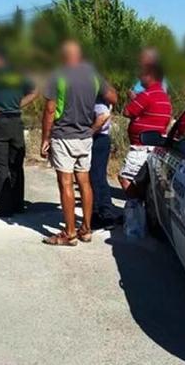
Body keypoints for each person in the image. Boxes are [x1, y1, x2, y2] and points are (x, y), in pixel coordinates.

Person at [41, 41, 117, 246]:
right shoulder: (92, 75)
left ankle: (70, 233)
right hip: (85, 136)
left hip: (64, 135)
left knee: (65, 183)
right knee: (84, 182)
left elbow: (49, 110)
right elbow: (113, 96)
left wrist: (45, 138)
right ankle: (86, 229)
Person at [0, 51, 37, 218]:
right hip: (16, 122)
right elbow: (34, 91)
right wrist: (18, 104)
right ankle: (18, 203)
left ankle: (4, 207)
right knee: (16, 164)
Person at [120, 62, 173, 202]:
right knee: (145, 182)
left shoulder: (147, 94)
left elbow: (127, 111)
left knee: (126, 178)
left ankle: (136, 208)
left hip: (141, 147)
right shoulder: (162, 95)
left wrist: (134, 100)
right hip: (155, 147)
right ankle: (144, 207)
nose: (139, 77)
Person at [90, 98, 119, 230]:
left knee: (97, 177)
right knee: (94, 177)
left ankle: (103, 214)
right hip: (98, 137)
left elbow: (104, 116)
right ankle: (99, 212)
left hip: (98, 138)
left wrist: (89, 132)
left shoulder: (98, 99)